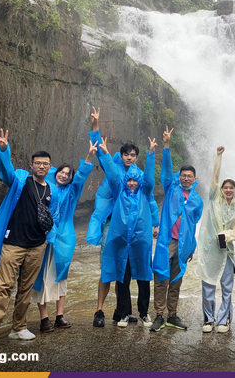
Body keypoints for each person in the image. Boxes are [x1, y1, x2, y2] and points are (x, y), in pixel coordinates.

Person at [0, 129, 59, 352]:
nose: (41, 166)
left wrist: (48, 240)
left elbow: (53, 218)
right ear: (32, 164)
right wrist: (4, 150)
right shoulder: (21, 180)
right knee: (3, 286)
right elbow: (6, 172)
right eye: (38, 163)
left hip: (37, 245)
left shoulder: (51, 189)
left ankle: (19, 327)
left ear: (50, 166)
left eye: (45, 163)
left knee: (26, 288)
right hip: (13, 244)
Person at [86, 107, 160, 327]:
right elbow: (104, 158)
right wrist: (96, 128)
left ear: (137, 158)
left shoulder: (140, 180)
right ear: (121, 155)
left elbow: (150, 192)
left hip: (137, 230)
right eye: (126, 154)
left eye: (133, 155)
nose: (129, 158)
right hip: (114, 223)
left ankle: (128, 311)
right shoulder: (118, 176)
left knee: (138, 271)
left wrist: (155, 222)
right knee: (116, 267)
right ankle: (113, 311)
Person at [30, 140, 97, 333]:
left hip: (65, 238)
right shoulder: (45, 187)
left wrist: (89, 156)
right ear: (55, 171)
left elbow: (82, 177)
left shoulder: (72, 192)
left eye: (68, 174)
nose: (64, 175)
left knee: (61, 276)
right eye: (62, 172)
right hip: (43, 236)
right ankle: (44, 319)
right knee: (40, 276)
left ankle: (59, 316)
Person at [150, 126, 204, 332]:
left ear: (194, 178)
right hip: (167, 242)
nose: (186, 178)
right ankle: (159, 315)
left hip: (183, 245)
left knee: (176, 280)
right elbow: (165, 171)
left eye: (190, 176)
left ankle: (172, 315)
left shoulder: (197, 200)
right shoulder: (171, 188)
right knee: (161, 278)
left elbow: (193, 225)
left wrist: (191, 247)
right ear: (179, 176)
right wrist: (166, 146)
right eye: (183, 175)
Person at [195, 146, 235, 334]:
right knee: (207, 284)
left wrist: (228, 235)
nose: (228, 189)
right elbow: (214, 178)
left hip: (227, 252)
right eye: (226, 187)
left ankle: (224, 319)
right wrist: (218, 157)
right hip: (210, 250)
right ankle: (209, 319)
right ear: (221, 189)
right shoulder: (214, 199)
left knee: (227, 288)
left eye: (231, 187)